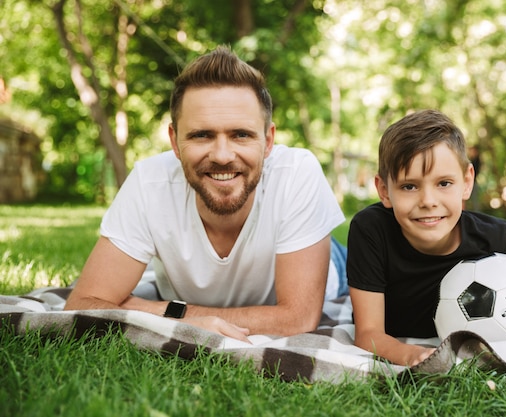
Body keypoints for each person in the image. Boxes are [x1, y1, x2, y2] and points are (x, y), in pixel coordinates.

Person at [65, 45, 345, 342]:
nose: (223, 155)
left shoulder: (296, 172)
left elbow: (297, 319)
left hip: (320, 257)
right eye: (202, 135)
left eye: (241, 134)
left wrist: (168, 314)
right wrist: (194, 318)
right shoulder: (149, 182)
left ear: (268, 141)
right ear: (174, 141)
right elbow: (82, 304)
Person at [346, 109, 506, 366]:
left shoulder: (492, 235)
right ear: (384, 191)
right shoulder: (370, 230)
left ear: (466, 182)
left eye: (443, 183)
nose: (428, 201)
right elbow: (368, 334)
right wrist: (410, 355)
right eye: (409, 186)